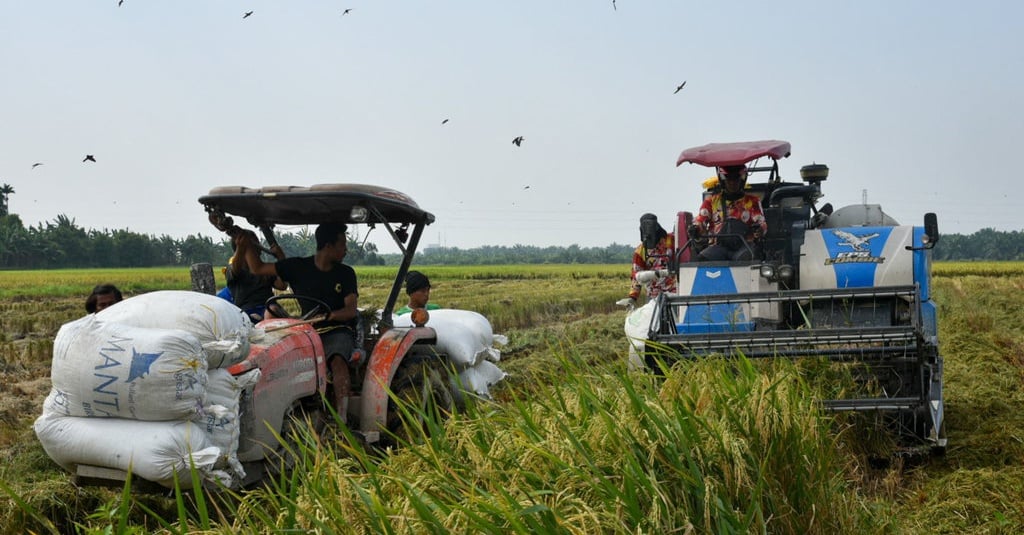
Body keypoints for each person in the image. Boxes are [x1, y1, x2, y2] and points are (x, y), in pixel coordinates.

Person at [244, 222, 359, 362]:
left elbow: (351, 310)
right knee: (271, 310)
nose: (346, 249)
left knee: (337, 361)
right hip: (305, 329)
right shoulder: (297, 267)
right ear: (328, 246)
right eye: (342, 245)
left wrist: (331, 315)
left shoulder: (346, 273)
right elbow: (257, 268)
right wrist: (246, 244)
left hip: (336, 330)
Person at [689, 164, 767, 262]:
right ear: (723, 181)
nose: (732, 183)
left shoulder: (752, 201)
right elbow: (701, 220)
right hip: (718, 247)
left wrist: (759, 229)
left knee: (749, 258)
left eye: (736, 179)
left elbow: (761, 223)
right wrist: (695, 229)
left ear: (742, 180)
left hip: (744, 246)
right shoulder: (711, 201)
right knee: (701, 260)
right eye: (729, 179)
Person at [227, 232, 287, 322]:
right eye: (254, 245)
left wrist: (281, 259)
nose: (259, 248)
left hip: (269, 309)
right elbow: (235, 266)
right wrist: (242, 246)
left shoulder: (264, 270)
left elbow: (282, 286)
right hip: (246, 313)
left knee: (272, 310)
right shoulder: (235, 269)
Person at [622, 213, 677, 307]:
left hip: (675, 293)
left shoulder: (671, 240)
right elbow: (637, 277)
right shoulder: (640, 251)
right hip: (653, 297)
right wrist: (632, 297)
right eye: (645, 227)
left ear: (656, 227)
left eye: (651, 226)